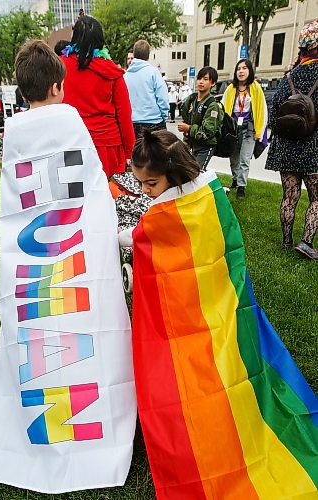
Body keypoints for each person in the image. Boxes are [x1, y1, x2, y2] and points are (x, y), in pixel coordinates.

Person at [119, 129, 317, 499]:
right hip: (219, 301)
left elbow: (148, 240)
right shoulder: (208, 195)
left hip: (205, 310)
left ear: (173, 173)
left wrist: (117, 235)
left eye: (151, 183)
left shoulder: (173, 211)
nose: (145, 190)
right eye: (141, 183)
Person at [265, 20, 318, 261]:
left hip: (287, 146)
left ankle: (286, 241)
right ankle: (306, 242)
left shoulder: (289, 76)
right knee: (316, 198)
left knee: (290, 196)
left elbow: (275, 110)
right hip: (313, 146)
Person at [59, 15, 134, 179]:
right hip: (108, 147)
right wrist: (129, 151)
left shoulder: (59, 67)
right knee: (109, 197)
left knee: (77, 199)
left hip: (71, 143)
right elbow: (124, 114)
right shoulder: (112, 70)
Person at [222, 59, 267, 199]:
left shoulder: (255, 88)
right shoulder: (230, 89)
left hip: (249, 129)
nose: (241, 71)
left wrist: (259, 131)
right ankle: (235, 179)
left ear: (250, 71)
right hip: (233, 128)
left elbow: (262, 110)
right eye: (238, 69)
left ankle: (242, 186)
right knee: (233, 156)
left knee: (245, 158)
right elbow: (223, 108)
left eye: (244, 68)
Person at [178, 66, 223, 170]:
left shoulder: (212, 105)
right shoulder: (191, 99)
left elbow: (208, 131)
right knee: (187, 171)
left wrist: (188, 128)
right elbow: (185, 117)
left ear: (213, 83)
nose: (201, 82)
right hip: (191, 143)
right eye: (199, 78)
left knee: (196, 172)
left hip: (206, 146)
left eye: (205, 79)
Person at [124, 39, 169, 139]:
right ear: (148, 55)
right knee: (157, 154)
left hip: (133, 123)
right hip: (154, 122)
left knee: (136, 154)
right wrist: (164, 116)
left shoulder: (125, 76)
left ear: (134, 54)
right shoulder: (153, 72)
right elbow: (162, 97)